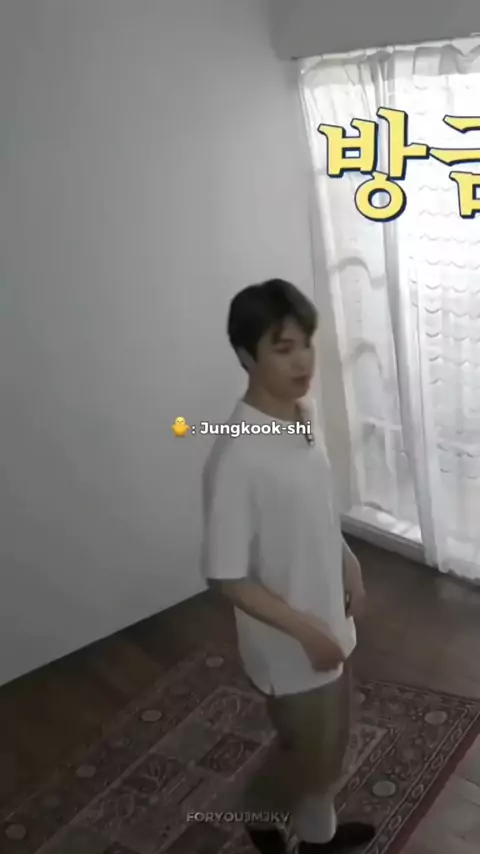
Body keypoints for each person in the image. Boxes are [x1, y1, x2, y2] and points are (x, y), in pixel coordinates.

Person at [201, 279, 375, 853]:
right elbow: (227, 577)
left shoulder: (303, 415)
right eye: (283, 348)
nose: (303, 361)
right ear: (247, 356)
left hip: (326, 619)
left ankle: (310, 831)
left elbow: (317, 509)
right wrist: (307, 633)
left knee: (325, 747)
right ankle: (263, 815)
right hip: (291, 643)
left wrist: (348, 560)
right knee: (316, 758)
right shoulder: (237, 457)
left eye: (306, 344)